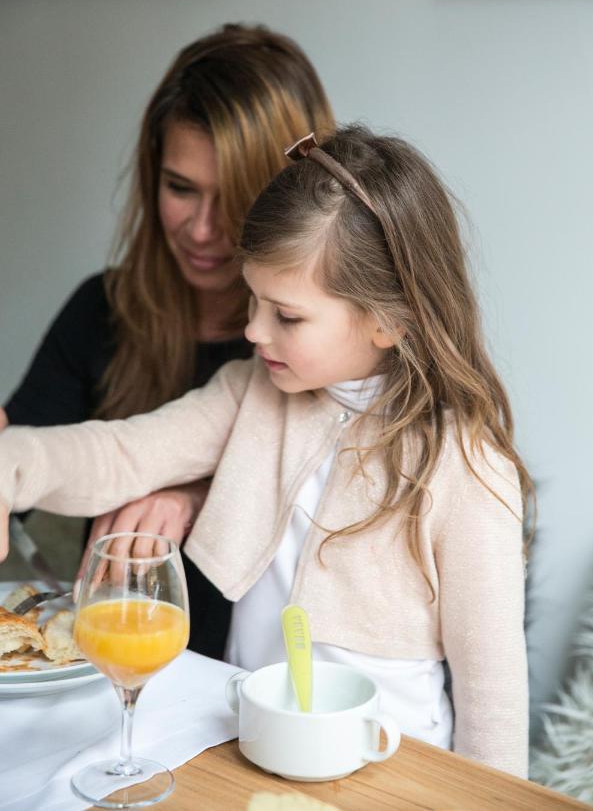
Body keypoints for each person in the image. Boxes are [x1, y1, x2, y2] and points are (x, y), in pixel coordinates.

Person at [0, 125, 531, 777]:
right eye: (252, 301)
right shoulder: (250, 391)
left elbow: (493, 696)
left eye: (286, 315)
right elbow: (121, 454)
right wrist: (11, 467)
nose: (252, 330)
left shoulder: (466, 465)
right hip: (244, 745)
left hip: (390, 772)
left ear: (388, 320)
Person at [0, 23, 335, 658]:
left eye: (234, 199)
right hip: (112, 685)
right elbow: (35, 464)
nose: (204, 229)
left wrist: (197, 496)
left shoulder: (316, 345)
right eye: (180, 188)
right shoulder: (100, 311)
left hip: (272, 691)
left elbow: (337, 502)